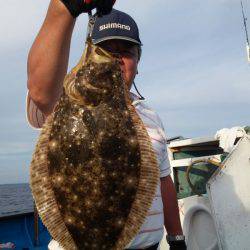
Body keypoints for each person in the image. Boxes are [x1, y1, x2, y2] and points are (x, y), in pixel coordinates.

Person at [26, 1, 187, 249]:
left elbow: (164, 180)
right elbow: (39, 90)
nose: (115, 59)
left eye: (126, 51)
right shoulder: (63, 100)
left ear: (138, 61)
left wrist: (176, 237)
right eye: (106, 49)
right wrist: (64, 7)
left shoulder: (151, 116)